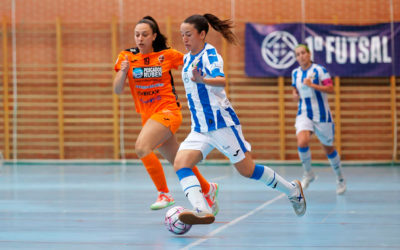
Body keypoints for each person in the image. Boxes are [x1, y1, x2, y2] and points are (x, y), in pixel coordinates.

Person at [173, 14, 306, 225]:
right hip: (200, 128)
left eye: (188, 34)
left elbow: (221, 81)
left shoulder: (210, 55)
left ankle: (292, 190)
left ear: (202, 34)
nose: (185, 39)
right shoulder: (187, 58)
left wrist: (203, 79)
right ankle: (201, 208)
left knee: (247, 170)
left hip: (221, 124)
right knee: (180, 163)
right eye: (182, 35)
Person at [113, 16, 219, 213]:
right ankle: (207, 188)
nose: (140, 38)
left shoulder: (167, 55)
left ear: (154, 36)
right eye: (137, 35)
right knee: (178, 160)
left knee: (142, 148)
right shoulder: (126, 57)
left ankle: (164, 193)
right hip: (149, 117)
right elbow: (118, 90)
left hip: (168, 111)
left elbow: (192, 58)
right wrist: (122, 72)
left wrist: (207, 73)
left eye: (145, 34)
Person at [291, 44, 346, 195]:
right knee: (302, 141)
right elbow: (295, 90)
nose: (301, 56)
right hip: (304, 112)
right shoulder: (295, 73)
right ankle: (308, 173)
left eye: (303, 53)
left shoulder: (320, 70)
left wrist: (313, 85)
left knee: (328, 148)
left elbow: (331, 89)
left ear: (309, 54)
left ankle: (340, 178)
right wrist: (295, 95)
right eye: (297, 54)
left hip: (322, 115)